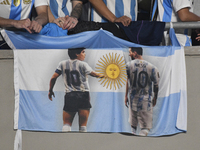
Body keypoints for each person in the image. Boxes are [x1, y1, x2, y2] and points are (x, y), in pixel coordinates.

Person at [48, 48, 103, 132]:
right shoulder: (83, 64)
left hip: (70, 95)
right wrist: (105, 75)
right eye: (83, 52)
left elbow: (53, 77)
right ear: (77, 54)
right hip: (83, 95)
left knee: (66, 124)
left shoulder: (62, 63)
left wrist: (50, 90)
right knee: (83, 126)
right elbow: (94, 74)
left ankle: (64, 143)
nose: (85, 54)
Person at [125, 47, 160, 136]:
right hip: (145, 99)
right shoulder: (152, 67)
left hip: (133, 98)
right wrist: (155, 97)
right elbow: (156, 85)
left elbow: (127, 81)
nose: (129, 54)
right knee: (145, 128)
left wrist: (126, 96)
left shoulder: (128, 65)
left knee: (133, 127)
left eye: (130, 52)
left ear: (135, 53)